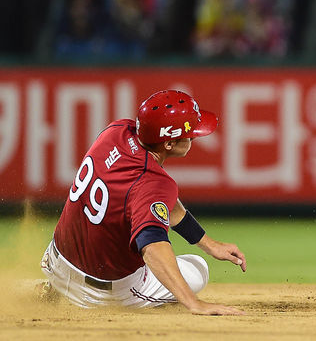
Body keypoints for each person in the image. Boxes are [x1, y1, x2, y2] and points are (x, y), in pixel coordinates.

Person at [41, 90, 246, 314]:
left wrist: (209, 244)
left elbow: (161, 202)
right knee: (199, 269)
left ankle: (56, 288)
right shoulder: (154, 184)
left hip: (55, 263)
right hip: (99, 292)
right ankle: (96, 300)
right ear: (169, 144)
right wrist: (194, 303)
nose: (194, 138)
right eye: (189, 134)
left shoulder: (116, 131)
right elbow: (152, 247)